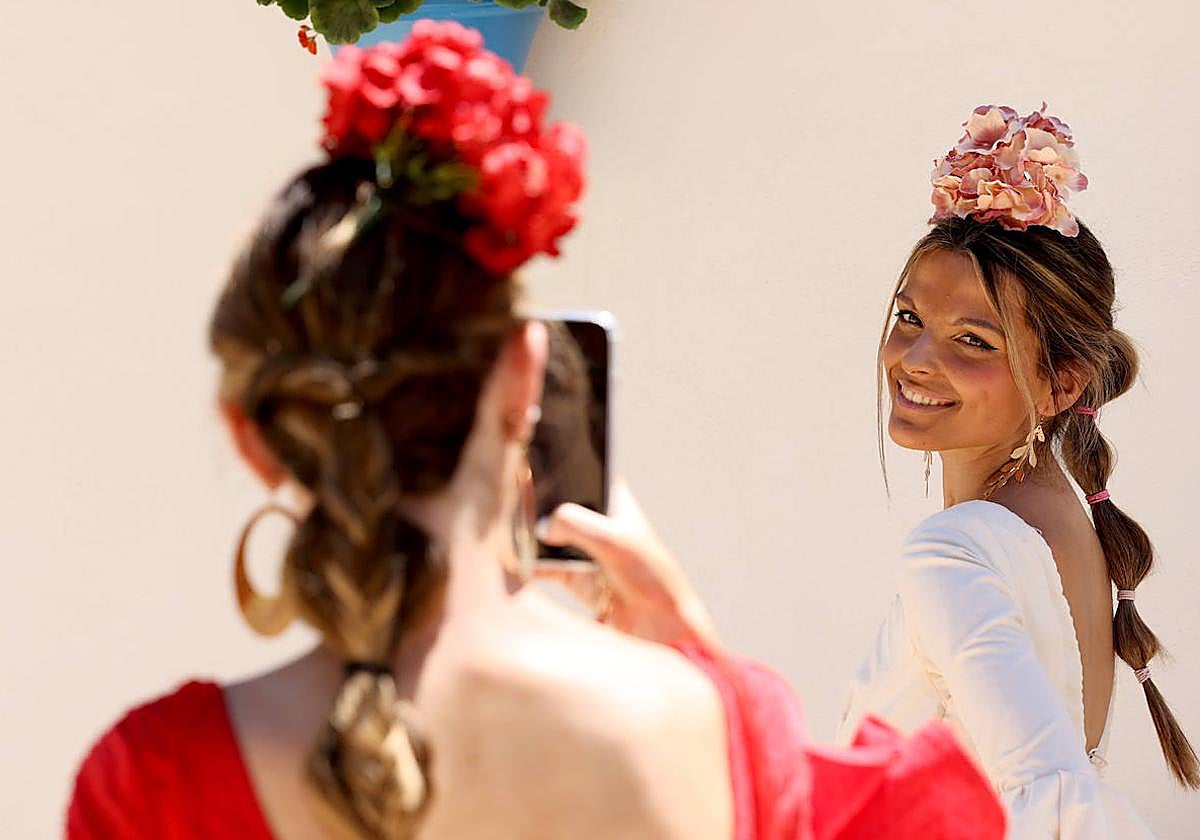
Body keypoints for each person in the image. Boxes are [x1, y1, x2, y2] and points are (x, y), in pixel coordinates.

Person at [67, 25, 1005, 840]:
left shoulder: (154, 783)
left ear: (254, 436)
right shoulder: (717, 739)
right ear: (527, 371)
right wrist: (710, 677)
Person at [544, 103, 1198, 839]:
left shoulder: (959, 551)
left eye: (975, 341)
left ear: (1062, 383)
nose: (916, 361)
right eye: (910, 318)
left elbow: (1052, 800)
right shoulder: (1064, 523)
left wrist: (684, 650)